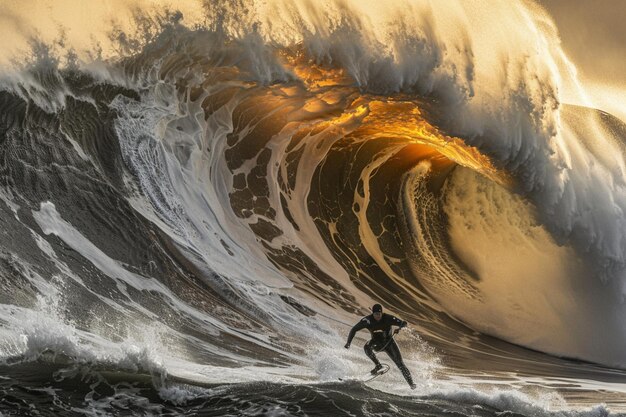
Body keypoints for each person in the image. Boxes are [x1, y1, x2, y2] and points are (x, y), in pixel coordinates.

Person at [344, 304, 416, 389]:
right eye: (376, 314)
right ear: (372, 313)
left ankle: (411, 384)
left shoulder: (388, 318)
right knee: (367, 347)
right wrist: (348, 343)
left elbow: (404, 323)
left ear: (382, 313)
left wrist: (399, 328)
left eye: (379, 314)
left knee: (400, 364)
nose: (378, 316)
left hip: (389, 343)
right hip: (376, 343)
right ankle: (378, 366)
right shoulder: (367, 320)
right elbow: (354, 329)